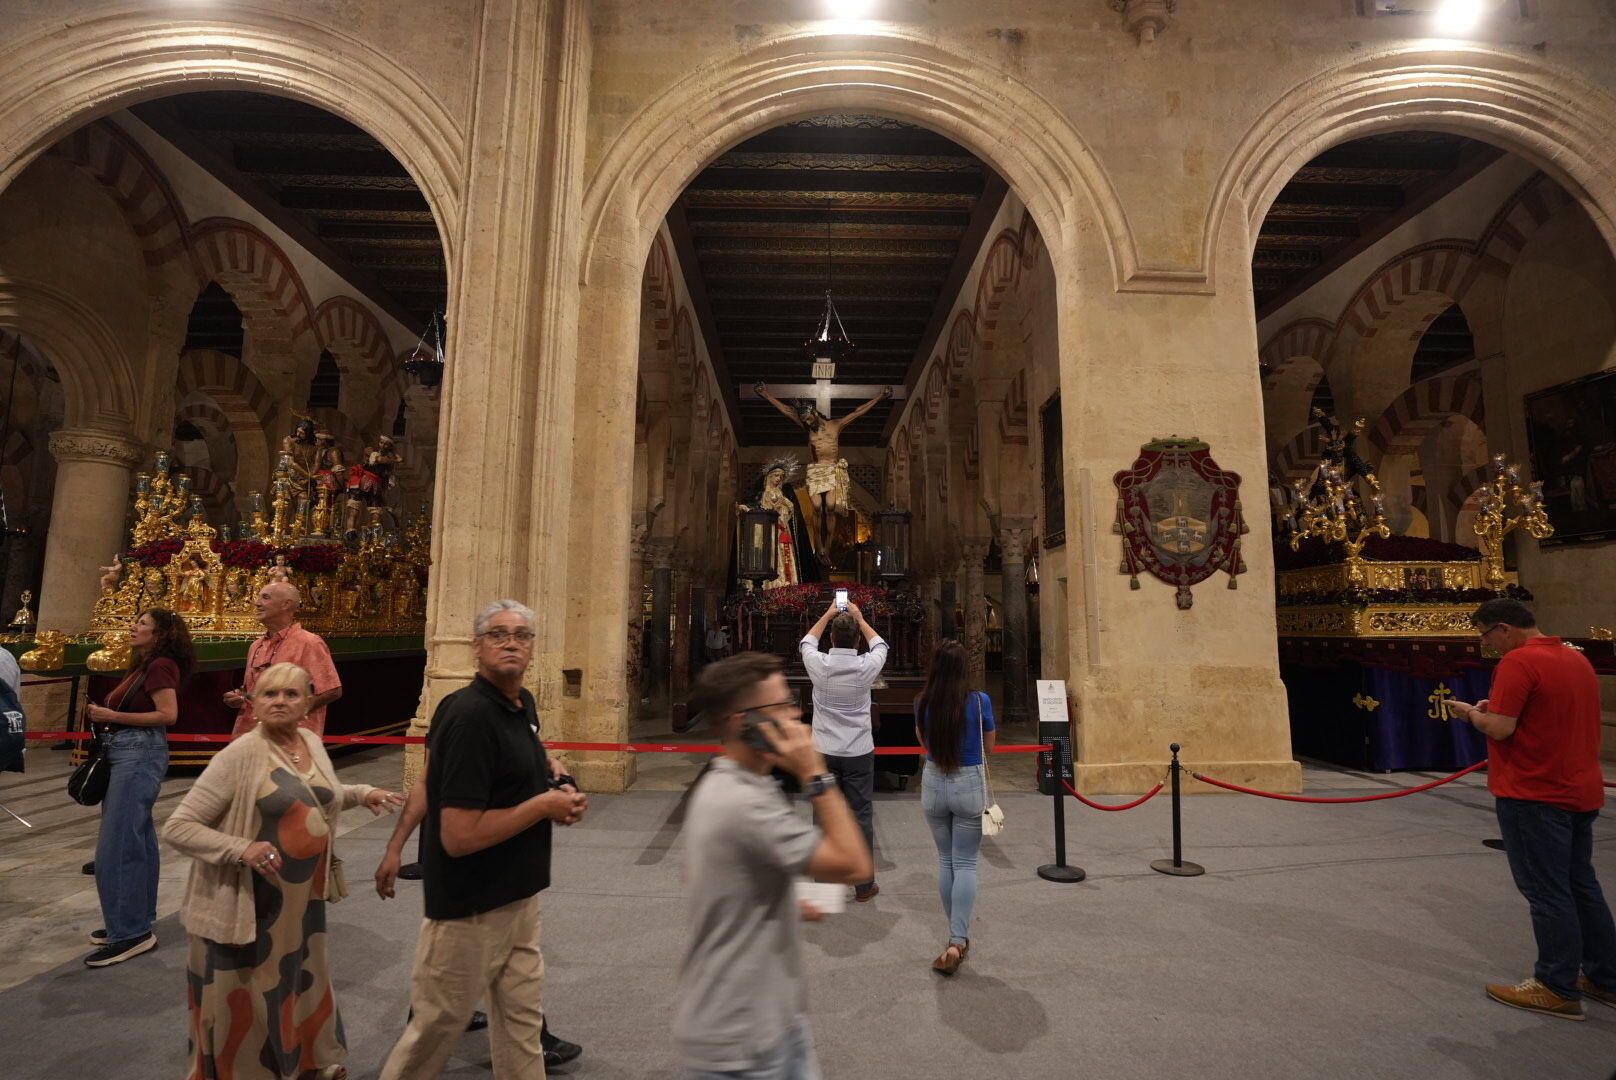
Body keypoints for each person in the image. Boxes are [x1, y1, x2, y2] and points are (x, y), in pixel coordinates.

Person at [379, 600, 588, 1079]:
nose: (511, 642)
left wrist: (555, 775)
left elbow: (524, 754)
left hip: (519, 895)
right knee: (433, 1033)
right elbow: (458, 836)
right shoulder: (468, 715)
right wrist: (543, 806)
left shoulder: (519, 704)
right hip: (470, 906)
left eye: (521, 634)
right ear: (476, 647)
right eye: (498, 634)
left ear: (533, 647)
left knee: (521, 1032)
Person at [164, 661, 403, 1077]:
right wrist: (241, 848)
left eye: (291, 694)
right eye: (269, 693)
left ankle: (306, 1062)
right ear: (253, 703)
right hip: (252, 902)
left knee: (296, 979)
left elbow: (316, 791)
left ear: (308, 703)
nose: (279, 701)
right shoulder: (240, 754)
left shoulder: (308, 741)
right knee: (249, 989)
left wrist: (363, 792)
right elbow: (178, 827)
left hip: (302, 899)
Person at [676, 651, 872, 1078]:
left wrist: (782, 896)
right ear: (742, 722)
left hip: (769, 1023)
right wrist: (816, 774)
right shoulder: (743, 802)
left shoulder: (732, 782)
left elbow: (722, 877)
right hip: (743, 1043)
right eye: (780, 705)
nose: (794, 714)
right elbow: (855, 864)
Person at [1448, 598, 1616, 1020]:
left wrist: (1470, 715)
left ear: (1504, 628)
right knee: (1581, 885)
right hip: (1579, 788)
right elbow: (1546, 714)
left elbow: (1501, 729)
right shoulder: (1574, 658)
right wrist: (1495, 710)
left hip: (1534, 792)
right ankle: (1605, 977)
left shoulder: (1518, 662)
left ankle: (1556, 986)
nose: (1488, 645)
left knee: (1546, 891)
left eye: (1487, 636)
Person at [82, 608, 193, 967]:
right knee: (137, 838)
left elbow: (168, 715)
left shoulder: (160, 665)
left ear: (160, 634)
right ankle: (135, 918)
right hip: (130, 751)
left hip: (138, 753)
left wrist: (112, 716)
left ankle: (130, 933)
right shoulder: (145, 665)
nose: (134, 626)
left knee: (118, 845)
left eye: (143, 624)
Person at [913, 639, 995, 975]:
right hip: (968, 782)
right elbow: (990, 745)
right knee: (965, 863)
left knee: (946, 860)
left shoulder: (922, 701)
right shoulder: (978, 701)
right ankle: (956, 939)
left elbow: (923, 742)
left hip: (934, 781)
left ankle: (955, 937)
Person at [799, 598, 888, 901]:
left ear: (832, 639)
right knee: (861, 815)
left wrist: (826, 614)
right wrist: (861, 619)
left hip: (823, 750)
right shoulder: (866, 666)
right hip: (858, 751)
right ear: (857, 641)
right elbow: (881, 645)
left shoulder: (819, 664)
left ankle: (824, 886)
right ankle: (863, 885)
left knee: (823, 815)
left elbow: (807, 641)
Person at [227, 581, 342, 737]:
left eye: (265, 597)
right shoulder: (256, 645)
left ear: (286, 604)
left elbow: (332, 691)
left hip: (290, 739)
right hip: (251, 736)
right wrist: (240, 697)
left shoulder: (309, 642)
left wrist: (290, 714)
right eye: (258, 597)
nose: (257, 603)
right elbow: (252, 692)